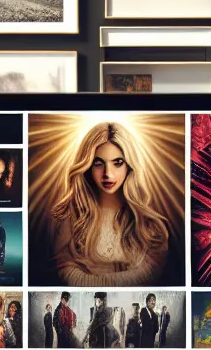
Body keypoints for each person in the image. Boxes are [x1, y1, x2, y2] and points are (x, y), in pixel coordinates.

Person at [47, 121, 173, 286]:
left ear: (129, 166)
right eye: (98, 163)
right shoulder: (70, 215)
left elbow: (152, 272)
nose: (108, 174)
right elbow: (64, 271)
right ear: (87, 166)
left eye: (117, 163)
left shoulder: (148, 221)